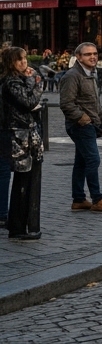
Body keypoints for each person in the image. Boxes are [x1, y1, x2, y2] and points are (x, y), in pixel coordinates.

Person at [59, 42, 102, 214]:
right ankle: (97, 199)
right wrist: (83, 118)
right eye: (87, 54)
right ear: (78, 57)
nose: (93, 57)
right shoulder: (72, 75)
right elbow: (66, 103)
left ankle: (78, 199)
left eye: (95, 53)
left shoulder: (90, 73)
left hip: (89, 124)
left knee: (82, 161)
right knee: (93, 160)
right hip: (80, 125)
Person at [2, 47, 43, 239]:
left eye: (25, 59)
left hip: (28, 133)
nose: (24, 63)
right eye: (19, 60)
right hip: (18, 135)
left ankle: (20, 223)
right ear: (11, 62)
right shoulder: (11, 82)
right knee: (22, 180)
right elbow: (29, 102)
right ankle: (18, 226)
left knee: (28, 178)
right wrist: (34, 83)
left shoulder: (19, 81)